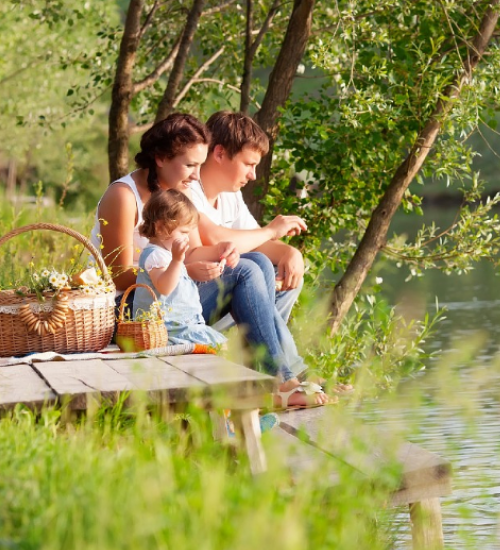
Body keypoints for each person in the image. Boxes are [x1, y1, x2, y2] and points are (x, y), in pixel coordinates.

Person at [91, 112, 332, 407]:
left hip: (169, 298)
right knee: (244, 271)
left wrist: (224, 250)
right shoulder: (123, 196)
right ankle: (282, 381)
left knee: (253, 260)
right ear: (161, 158)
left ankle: (267, 375)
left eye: (199, 165)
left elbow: (191, 251)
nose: (195, 175)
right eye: (190, 165)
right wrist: (183, 270)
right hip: (131, 311)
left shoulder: (175, 192)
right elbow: (120, 276)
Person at [190, 111, 338, 388]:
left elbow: (255, 239)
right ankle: (286, 375)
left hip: (215, 295)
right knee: (250, 266)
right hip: (189, 301)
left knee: (283, 271)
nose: (253, 175)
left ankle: (268, 366)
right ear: (220, 153)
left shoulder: (230, 196)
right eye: (248, 164)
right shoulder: (187, 188)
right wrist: (272, 231)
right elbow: (215, 240)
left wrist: (289, 254)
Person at [132, 189, 226, 347]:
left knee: (222, 344)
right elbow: (164, 287)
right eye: (183, 232)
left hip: (181, 324)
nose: (187, 238)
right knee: (220, 346)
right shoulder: (155, 256)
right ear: (161, 227)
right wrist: (177, 261)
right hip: (166, 329)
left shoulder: (166, 255)